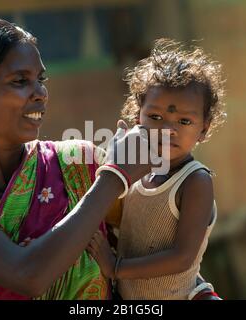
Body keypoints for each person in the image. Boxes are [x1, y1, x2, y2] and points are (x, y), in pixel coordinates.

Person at [0, 15, 151, 300]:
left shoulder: (79, 163)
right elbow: (26, 276)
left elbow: (156, 239)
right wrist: (113, 179)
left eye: (41, 79)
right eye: (20, 81)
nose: (40, 93)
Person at [87, 39, 226, 300]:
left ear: (204, 129)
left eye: (184, 121)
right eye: (156, 117)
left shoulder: (195, 181)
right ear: (137, 116)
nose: (168, 130)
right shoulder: (133, 174)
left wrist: (115, 267)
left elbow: (182, 258)